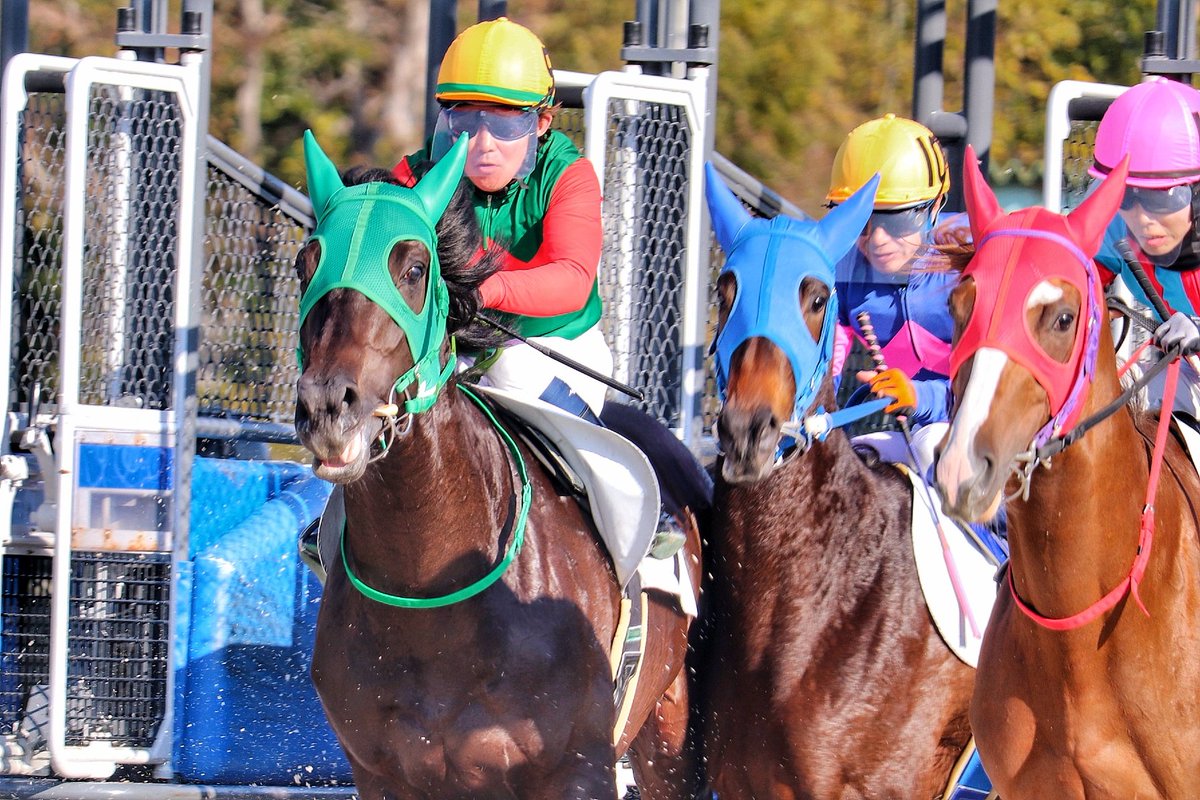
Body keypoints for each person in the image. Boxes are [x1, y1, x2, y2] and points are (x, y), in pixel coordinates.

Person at [391, 16, 611, 422]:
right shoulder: (415, 177)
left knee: (512, 367)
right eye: (467, 122)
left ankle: (601, 484)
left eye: (505, 124)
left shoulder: (570, 175)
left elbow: (573, 280)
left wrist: (485, 291)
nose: (483, 144)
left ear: (542, 122)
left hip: (556, 348)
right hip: (455, 346)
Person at [826, 113, 964, 475]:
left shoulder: (974, 259)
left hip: (997, 435)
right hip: (920, 431)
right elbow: (827, 372)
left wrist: (921, 396)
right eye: (860, 222)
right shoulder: (841, 273)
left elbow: (999, 391)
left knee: (935, 448)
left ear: (935, 207)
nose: (876, 240)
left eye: (897, 220)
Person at [1091, 76, 1200, 418]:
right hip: (1183, 370)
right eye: (1126, 195)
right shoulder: (1113, 228)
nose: (1143, 219)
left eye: (1163, 198)